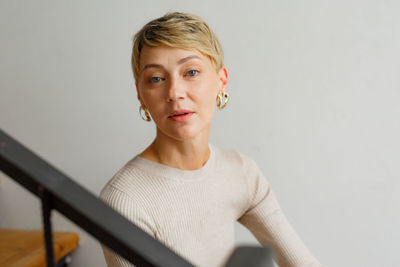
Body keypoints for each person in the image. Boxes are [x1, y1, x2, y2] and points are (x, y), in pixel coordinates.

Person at [100, 12, 322, 267]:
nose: (174, 93)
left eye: (191, 72)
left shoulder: (240, 172)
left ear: (221, 81)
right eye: (157, 79)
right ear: (141, 94)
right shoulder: (126, 200)